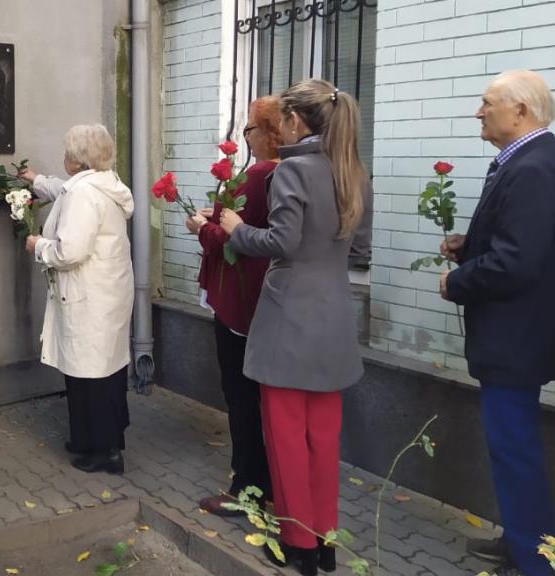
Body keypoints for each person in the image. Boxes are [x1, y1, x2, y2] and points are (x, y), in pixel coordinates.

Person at [220, 79, 372, 576]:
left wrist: (234, 230)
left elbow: (281, 241)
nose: (280, 126)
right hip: (334, 317)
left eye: (283, 117)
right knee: (324, 438)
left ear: (296, 121)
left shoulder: (292, 172)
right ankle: (325, 542)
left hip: (289, 320)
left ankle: (296, 543)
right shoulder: (352, 171)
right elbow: (360, 249)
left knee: (285, 436)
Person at [439, 69, 555, 576]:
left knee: (513, 450)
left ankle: (533, 560)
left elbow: (517, 263)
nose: (479, 111)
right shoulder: (535, 160)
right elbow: (525, 243)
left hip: (517, 338)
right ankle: (523, 539)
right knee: (513, 448)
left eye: (487, 102)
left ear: (520, 112)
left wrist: (460, 280)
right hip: (525, 334)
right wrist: (468, 246)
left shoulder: (533, 168)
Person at [184, 96, 282, 515]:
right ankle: (271, 482)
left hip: (242, 295)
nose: (243, 137)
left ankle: (248, 487)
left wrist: (201, 226)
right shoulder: (290, 175)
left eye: (248, 128)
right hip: (270, 297)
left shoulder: (260, 174)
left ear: (269, 132)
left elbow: (235, 239)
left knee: (241, 396)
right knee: (263, 399)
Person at [19, 124, 134, 474]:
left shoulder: (85, 194)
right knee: (102, 370)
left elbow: (71, 251)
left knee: (90, 375)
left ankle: (104, 452)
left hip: (89, 294)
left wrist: (39, 247)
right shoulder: (103, 183)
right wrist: (36, 180)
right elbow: (62, 190)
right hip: (106, 293)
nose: (64, 157)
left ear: (79, 160)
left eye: (69, 152)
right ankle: (93, 439)